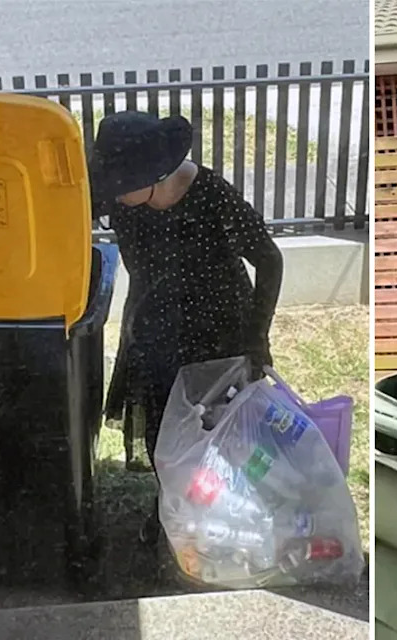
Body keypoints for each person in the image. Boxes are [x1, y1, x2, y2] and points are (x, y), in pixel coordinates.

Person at [89, 111, 284, 545]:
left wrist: (257, 338)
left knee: (217, 431)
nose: (112, 198)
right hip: (155, 328)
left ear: (154, 175)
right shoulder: (122, 195)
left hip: (218, 332)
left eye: (121, 188)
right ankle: (173, 511)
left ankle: (221, 518)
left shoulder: (212, 196)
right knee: (164, 431)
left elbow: (269, 258)